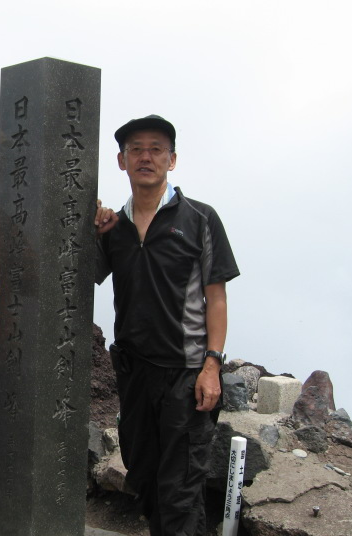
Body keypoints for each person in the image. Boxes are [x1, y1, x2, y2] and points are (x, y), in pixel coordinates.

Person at [94, 115, 240, 535]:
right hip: (135, 372)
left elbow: (217, 298)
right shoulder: (114, 226)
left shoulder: (199, 218)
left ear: (172, 160)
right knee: (144, 479)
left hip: (187, 373)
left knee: (180, 489)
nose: (146, 157)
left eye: (156, 149)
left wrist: (212, 365)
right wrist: (93, 232)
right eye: (135, 149)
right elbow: (86, 275)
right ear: (121, 161)